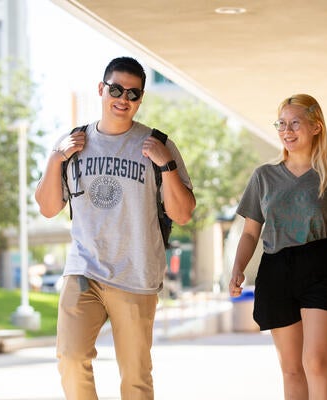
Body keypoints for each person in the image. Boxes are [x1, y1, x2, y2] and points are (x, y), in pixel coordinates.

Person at [35, 56, 195, 400]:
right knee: (70, 356)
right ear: (101, 89)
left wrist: (165, 164)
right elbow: (48, 208)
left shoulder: (157, 144)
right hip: (84, 269)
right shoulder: (72, 143)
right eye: (116, 89)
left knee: (135, 377)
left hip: (136, 273)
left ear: (140, 99)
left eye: (133, 93)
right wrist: (55, 158)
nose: (123, 98)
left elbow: (182, 214)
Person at [229, 94, 327, 400]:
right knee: (292, 370)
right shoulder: (263, 176)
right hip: (275, 270)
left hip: (320, 266)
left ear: (316, 126)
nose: (287, 130)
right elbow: (250, 233)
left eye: (295, 123)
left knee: (316, 363)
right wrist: (238, 267)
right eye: (281, 123)